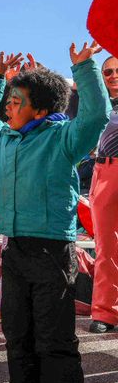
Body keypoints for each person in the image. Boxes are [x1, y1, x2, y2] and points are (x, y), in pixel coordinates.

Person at [0, 44, 110, 383]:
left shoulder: (64, 138)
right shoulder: (6, 138)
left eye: (17, 102)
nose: (9, 108)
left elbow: (97, 114)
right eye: (10, 101)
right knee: (17, 326)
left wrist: (84, 67)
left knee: (53, 330)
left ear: (42, 110)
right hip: (14, 246)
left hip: (52, 249)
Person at [89, 54, 118, 334]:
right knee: (105, 247)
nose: (113, 76)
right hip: (105, 172)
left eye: (117, 71)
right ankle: (104, 312)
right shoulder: (98, 105)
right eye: (107, 72)